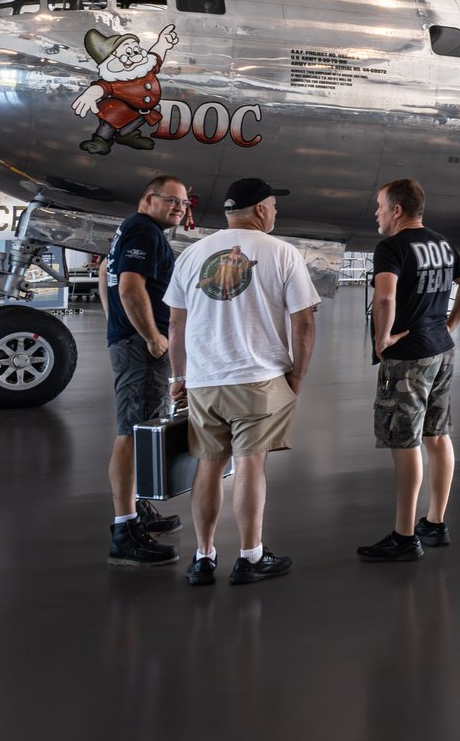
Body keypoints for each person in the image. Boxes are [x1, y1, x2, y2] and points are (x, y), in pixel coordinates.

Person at [165, 178, 318, 587]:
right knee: (251, 464)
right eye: (272, 206)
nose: (274, 213)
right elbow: (304, 324)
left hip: (204, 379)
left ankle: (203, 556)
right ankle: (250, 557)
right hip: (260, 378)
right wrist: (297, 377)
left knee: (209, 466)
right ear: (260, 210)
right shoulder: (283, 253)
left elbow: (175, 324)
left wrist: (178, 377)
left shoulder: (192, 254)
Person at [361, 178, 460, 563]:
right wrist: (450, 326)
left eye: (380, 206)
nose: (376, 212)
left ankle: (404, 536)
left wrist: (381, 340)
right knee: (437, 434)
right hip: (441, 351)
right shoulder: (440, 243)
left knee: (405, 441)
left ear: (397, 210)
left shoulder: (392, 246)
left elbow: (385, 295)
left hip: (409, 356)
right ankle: (435, 522)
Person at [106, 175, 189, 566]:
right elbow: (128, 287)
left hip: (130, 341)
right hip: (141, 346)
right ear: (147, 199)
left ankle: (137, 512)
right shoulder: (143, 230)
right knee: (132, 433)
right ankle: (124, 531)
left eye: (183, 203)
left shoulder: (133, 229)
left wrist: (120, 330)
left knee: (140, 429)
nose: (178, 207)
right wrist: (152, 337)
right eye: (170, 200)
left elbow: (112, 290)